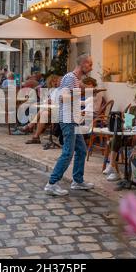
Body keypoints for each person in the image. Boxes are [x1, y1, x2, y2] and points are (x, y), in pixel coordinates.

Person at [44, 54, 94, 196]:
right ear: (83, 64)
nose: (91, 67)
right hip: (68, 120)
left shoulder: (76, 80)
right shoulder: (70, 78)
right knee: (68, 152)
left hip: (73, 120)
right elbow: (62, 97)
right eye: (89, 64)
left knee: (82, 150)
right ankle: (51, 184)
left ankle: (77, 181)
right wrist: (80, 93)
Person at [104, 89, 136, 185]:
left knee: (113, 142)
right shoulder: (133, 109)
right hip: (130, 136)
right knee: (116, 136)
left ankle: (113, 168)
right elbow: (127, 125)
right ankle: (112, 167)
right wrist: (125, 124)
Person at [20, 75, 62, 143]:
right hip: (51, 110)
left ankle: (30, 125)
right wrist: (48, 101)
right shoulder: (55, 90)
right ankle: (36, 137)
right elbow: (49, 100)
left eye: (58, 81)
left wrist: (50, 102)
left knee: (41, 109)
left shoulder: (64, 90)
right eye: (57, 81)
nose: (57, 82)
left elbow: (59, 103)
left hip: (60, 112)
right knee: (43, 114)